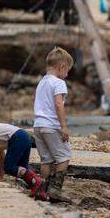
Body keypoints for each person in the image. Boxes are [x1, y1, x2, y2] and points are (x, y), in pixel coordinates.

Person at [34, 47, 74, 202]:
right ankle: (56, 189)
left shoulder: (42, 82)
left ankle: (41, 189)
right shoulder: (59, 83)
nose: (67, 74)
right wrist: (63, 126)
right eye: (67, 70)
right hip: (51, 125)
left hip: (38, 125)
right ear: (61, 67)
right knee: (64, 156)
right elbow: (59, 104)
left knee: (47, 160)